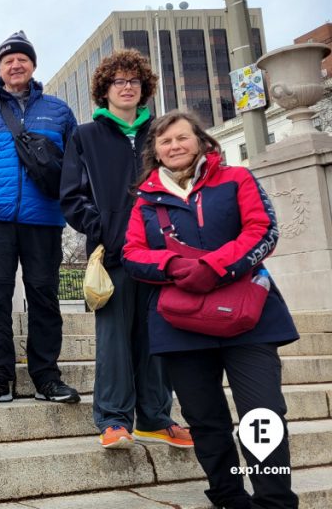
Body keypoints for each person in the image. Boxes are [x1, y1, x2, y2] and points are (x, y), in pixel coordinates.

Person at [123, 111, 298, 509]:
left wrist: (214, 268)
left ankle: (274, 501)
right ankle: (228, 496)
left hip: (248, 318)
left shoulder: (237, 178)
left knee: (263, 414)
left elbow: (263, 230)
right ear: (155, 151)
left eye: (182, 138)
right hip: (180, 322)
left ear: (200, 140)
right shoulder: (145, 199)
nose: (174, 147)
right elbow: (132, 254)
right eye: (165, 142)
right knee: (204, 419)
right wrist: (173, 266)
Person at [60, 49, 192, 450]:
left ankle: (154, 416)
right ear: (105, 89)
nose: (127, 86)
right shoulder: (86, 135)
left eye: (134, 80)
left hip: (161, 253)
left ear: (144, 87)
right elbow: (71, 196)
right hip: (115, 253)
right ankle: (114, 419)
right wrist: (105, 229)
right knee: (114, 337)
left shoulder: (161, 133)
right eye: (119, 81)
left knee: (157, 336)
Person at [0, 30, 80, 406]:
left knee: (44, 297)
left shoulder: (58, 111)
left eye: (22, 58)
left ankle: (46, 376)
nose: (15, 64)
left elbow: (75, 168)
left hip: (43, 219)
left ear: (33, 64)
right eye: (8, 59)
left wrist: (72, 210)